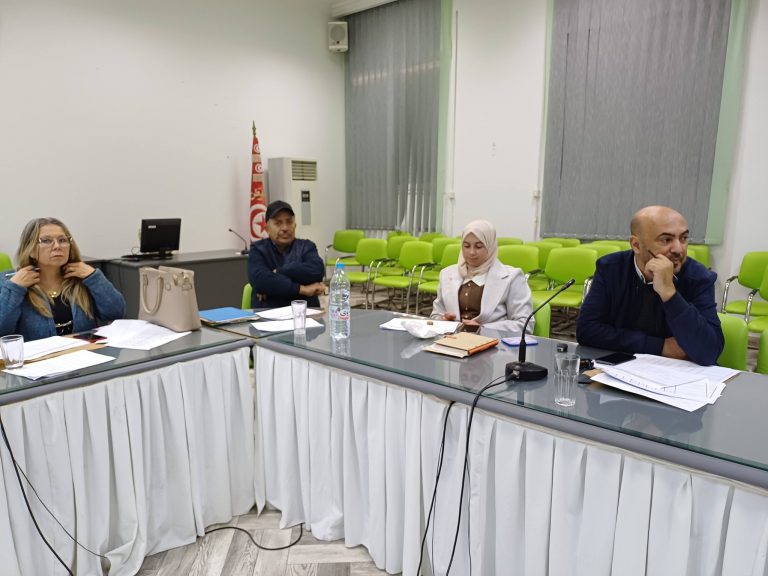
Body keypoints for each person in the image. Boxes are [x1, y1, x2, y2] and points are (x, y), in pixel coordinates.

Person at [576, 205, 723, 365]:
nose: (678, 249)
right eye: (666, 240)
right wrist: (660, 346)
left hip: (680, 373)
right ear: (636, 245)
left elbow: (709, 351)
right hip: (624, 367)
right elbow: (587, 330)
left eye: (683, 238)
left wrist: (669, 294)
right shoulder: (610, 268)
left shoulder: (699, 277)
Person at [0, 217, 126, 341]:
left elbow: (116, 313)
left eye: (62, 240)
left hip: (85, 352)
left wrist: (94, 278)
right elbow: (2, 332)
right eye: (46, 240)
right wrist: (14, 289)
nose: (57, 246)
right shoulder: (9, 283)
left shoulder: (82, 277)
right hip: (38, 355)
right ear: (31, 250)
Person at [431, 220, 533, 333]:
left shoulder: (512, 277)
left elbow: (525, 324)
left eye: (479, 247)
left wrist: (483, 329)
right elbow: (435, 316)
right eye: (466, 246)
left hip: (491, 341)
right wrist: (442, 321)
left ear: (490, 246)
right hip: (452, 339)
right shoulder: (446, 274)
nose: (471, 252)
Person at [248, 200, 325, 308]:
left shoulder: (306, 246)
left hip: (305, 314)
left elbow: (317, 270)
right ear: (267, 229)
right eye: (278, 223)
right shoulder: (258, 249)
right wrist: (302, 289)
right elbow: (261, 281)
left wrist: (279, 272)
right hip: (269, 314)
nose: (285, 228)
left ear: (295, 225)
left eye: (289, 222)